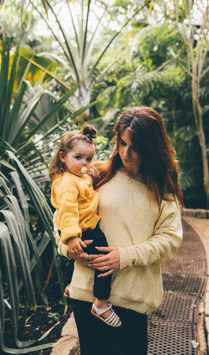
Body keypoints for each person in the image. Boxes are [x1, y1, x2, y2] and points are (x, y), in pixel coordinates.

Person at [55, 106, 183, 355]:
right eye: (122, 143)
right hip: (87, 294)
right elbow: (62, 215)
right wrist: (69, 248)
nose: (126, 153)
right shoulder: (96, 175)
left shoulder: (163, 189)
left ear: (152, 146)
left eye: (136, 146)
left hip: (132, 296)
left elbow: (169, 241)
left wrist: (123, 256)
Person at [49, 125, 121, 328]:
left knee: (84, 260)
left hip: (82, 228)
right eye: (78, 157)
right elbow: (67, 210)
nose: (85, 163)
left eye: (88, 159)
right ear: (63, 157)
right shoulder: (67, 183)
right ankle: (101, 303)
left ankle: (72, 286)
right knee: (104, 263)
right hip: (81, 230)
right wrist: (72, 237)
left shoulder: (79, 178)